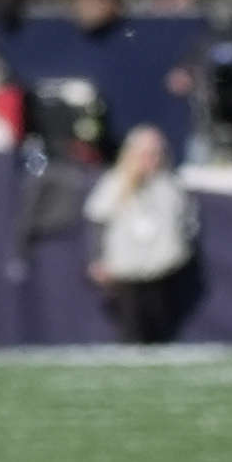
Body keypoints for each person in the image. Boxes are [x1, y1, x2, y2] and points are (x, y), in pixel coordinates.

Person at [83, 125, 201, 346]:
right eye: (144, 154)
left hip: (163, 270)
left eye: (155, 154)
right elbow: (98, 220)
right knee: (132, 332)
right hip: (126, 272)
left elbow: (187, 225)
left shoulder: (170, 186)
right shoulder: (115, 183)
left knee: (161, 330)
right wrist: (97, 258)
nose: (150, 160)